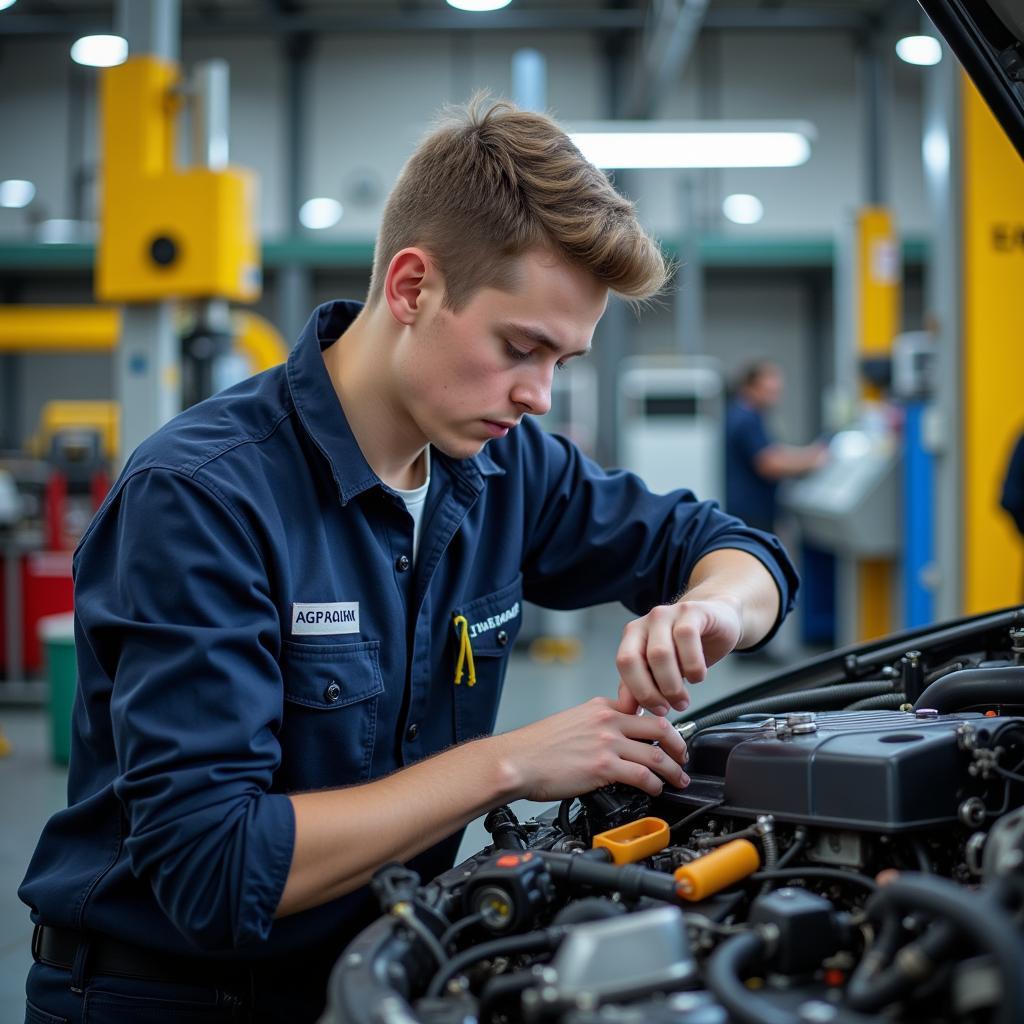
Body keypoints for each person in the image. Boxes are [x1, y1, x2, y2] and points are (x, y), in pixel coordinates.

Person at [21, 98, 798, 1023]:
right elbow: (214, 867)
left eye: (565, 360)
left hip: (385, 968)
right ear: (412, 286)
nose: (540, 395)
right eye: (521, 347)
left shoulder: (504, 464)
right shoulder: (202, 498)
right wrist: (506, 765)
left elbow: (735, 550)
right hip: (169, 994)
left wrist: (711, 611)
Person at [725, 359, 828, 534]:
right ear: (751, 386)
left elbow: (771, 451)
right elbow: (769, 463)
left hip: (751, 509)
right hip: (751, 512)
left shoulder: (744, 414)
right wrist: (814, 461)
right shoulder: (747, 418)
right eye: (770, 389)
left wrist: (806, 454)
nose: (776, 392)